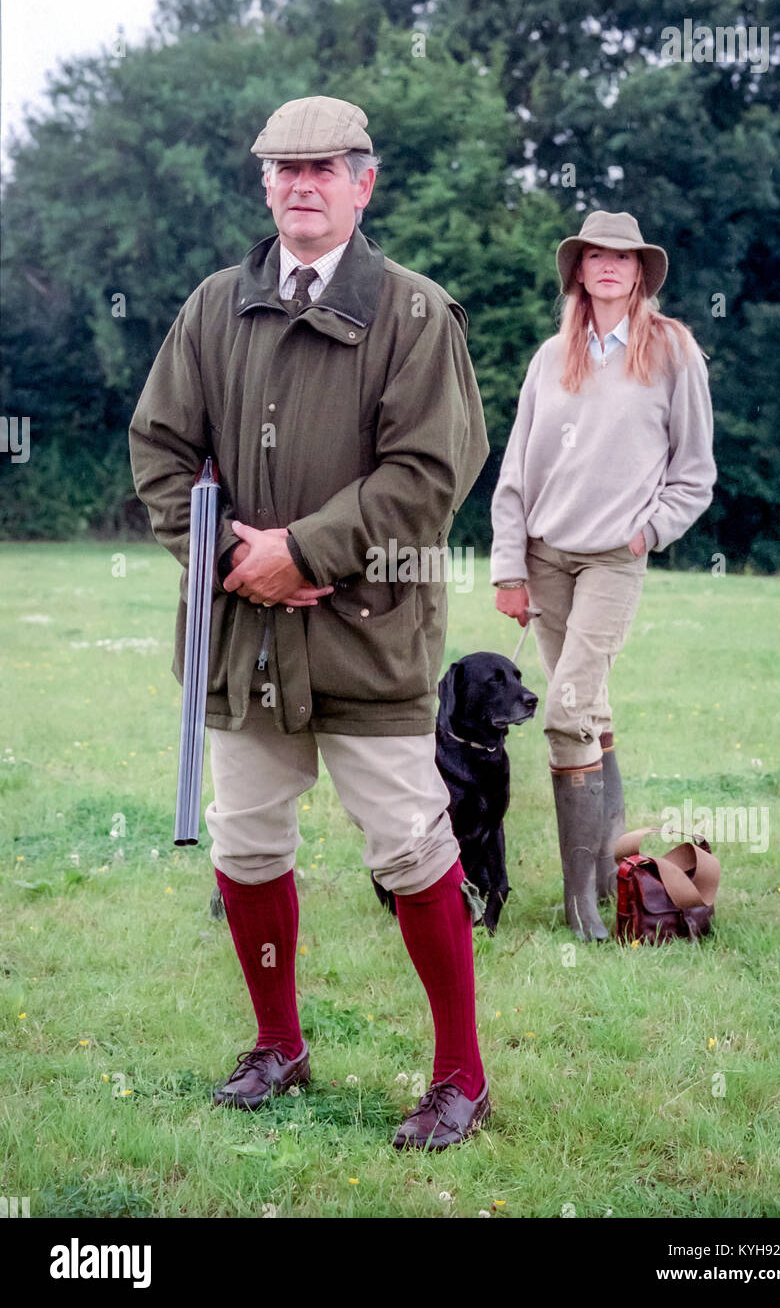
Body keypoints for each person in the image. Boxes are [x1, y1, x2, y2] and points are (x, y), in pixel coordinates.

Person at [129, 96, 491, 1149]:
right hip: (241, 638)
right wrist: (239, 560)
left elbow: (428, 476)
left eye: (323, 167)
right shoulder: (209, 308)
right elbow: (158, 453)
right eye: (281, 169)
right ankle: (277, 1042)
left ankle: (462, 1075)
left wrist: (306, 551)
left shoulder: (418, 315)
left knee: (413, 850)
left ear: (362, 182)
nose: (300, 183)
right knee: (245, 848)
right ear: (263, 185)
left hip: (369, 634)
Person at [490, 211, 716, 941]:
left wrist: (647, 531)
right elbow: (515, 472)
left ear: (641, 271)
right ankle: (609, 877)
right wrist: (506, 567)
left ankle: (579, 905)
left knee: (564, 714)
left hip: (613, 561)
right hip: (544, 557)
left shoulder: (672, 352)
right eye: (596, 255)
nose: (610, 265)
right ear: (579, 271)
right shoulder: (550, 357)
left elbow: (694, 474)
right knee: (591, 715)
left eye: (624, 256)